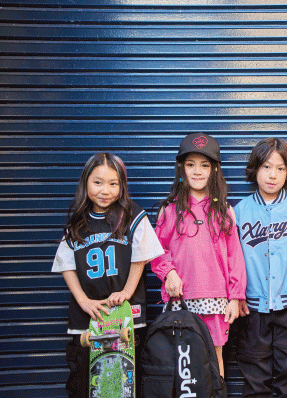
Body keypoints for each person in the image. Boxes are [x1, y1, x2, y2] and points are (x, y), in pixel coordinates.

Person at [52, 152, 164, 398]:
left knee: (127, 383)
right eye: (98, 182)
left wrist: (127, 291)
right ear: (86, 183)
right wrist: (83, 300)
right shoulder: (77, 221)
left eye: (113, 184)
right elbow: (65, 264)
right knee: (84, 383)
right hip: (88, 319)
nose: (105, 190)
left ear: (122, 186)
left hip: (126, 316)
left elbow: (141, 257)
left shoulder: (133, 215)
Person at [150, 132, 247, 378]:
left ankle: (217, 393)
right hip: (181, 297)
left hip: (216, 298)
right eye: (191, 164)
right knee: (182, 360)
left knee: (215, 356)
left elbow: (234, 257)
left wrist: (236, 296)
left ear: (214, 169)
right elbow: (157, 250)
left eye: (204, 165)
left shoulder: (224, 211)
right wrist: (169, 273)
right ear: (182, 168)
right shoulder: (170, 210)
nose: (197, 171)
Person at [234, 137, 287, 398]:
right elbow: (232, 258)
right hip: (252, 306)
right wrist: (236, 294)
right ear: (255, 169)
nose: (272, 175)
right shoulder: (240, 211)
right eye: (266, 167)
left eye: (280, 168)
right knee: (254, 373)